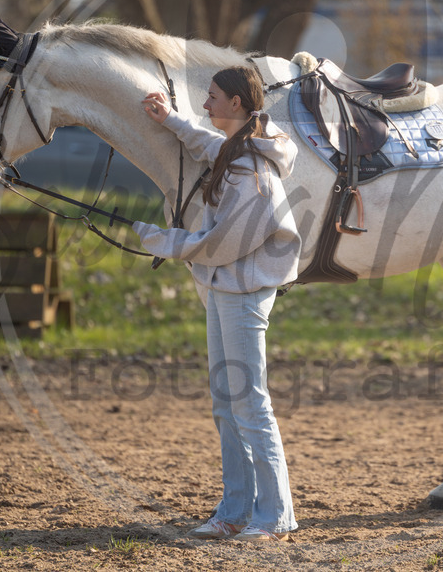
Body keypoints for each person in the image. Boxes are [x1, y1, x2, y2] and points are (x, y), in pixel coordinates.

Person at [133, 65, 301, 542]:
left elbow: (226, 240)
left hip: (243, 289)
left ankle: (275, 516)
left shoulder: (252, 170)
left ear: (236, 104)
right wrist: (170, 120)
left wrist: (161, 240)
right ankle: (235, 510)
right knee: (226, 404)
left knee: (249, 403)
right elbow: (211, 147)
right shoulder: (238, 148)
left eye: (211, 98)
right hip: (225, 285)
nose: (204, 106)